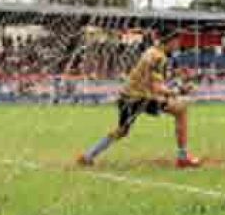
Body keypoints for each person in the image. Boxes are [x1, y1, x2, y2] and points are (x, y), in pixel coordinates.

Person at [77, 30, 200, 168]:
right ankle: (183, 158)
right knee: (181, 110)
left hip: (127, 96)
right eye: (177, 42)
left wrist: (176, 84)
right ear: (170, 41)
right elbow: (157, 88)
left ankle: (89, 155)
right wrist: (180, 90)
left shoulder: (151, 52)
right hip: (142, 98)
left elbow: (153, 80)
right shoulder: (159, 57)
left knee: (122, 130)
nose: (178, 46)